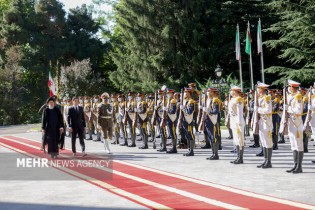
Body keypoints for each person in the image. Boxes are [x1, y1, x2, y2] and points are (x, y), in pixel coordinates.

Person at [283, 80, 304, 173]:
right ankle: (295, 165)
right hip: (291, 122)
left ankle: (299, 166)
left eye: (290, 87)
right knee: (293, 145)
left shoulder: (298, 96)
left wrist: (289, 109)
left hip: (297, 123)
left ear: (293, 87)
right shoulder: (290, 96)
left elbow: (298, 110)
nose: (289, 88)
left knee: (298, 145)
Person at [254, 82, 273, 169]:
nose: (257, 90)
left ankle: (269, 162)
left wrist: (258, 109)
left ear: (262, 89)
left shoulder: (267, 98)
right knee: (263, 142)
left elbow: (268, 110)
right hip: (261, 121)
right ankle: (265, 160)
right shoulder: (259, 98)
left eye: (258, 88)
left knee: (268, 142)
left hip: (266, 122)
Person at [229, 85, 245, 164]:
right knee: (236, 140)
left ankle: (240, 158)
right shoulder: (232, 99)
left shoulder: (238, 99)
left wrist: (239, 122)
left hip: (238, 121)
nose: (231, 92)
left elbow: (240, 112)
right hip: (233, 121)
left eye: (232, 90)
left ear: (235, 91)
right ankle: (238, 157)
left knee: (240, 140)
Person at [203, 87, 220, 160]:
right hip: (208, 120)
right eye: (208, 91)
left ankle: (216, 154)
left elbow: (216, 111)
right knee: (210, 138)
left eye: (210, 92)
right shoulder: (208, 100)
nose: (208, 93)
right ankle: (213, 154)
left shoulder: (215, 100)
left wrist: (208, 111)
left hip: (213, 121)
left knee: (214, 138)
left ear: (213, 92)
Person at [179, 88, 195, 156]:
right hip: (184, 120)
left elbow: (189, 111)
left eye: (186, 92)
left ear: (189, 93)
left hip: (189, 120)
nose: (185, 93)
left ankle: (191, 151)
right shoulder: (185, 101)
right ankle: (189, 150)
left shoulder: (191, 102)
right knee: (187, 135)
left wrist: (183, 108)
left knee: (190, 135)